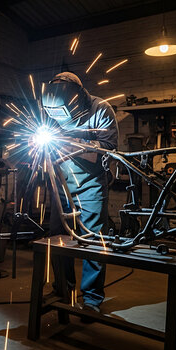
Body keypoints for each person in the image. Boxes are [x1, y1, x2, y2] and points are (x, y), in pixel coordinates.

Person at [41, 71, 118, 315]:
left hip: (91, 183)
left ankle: (92, 299)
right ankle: (63, 288)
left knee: (92, 240)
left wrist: (70, 144)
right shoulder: (51, 109)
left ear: (76, 98)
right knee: (58, 238)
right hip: (61, 182)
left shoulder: (101, 109)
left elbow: (108, 148)